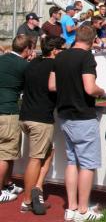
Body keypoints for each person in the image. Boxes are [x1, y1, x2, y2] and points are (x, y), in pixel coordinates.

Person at [49, 25, 106, 221]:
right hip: (83, 115)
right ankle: (82, 210)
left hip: (65, 116)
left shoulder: (60, 56)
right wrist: (102, 91)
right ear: (91, 41)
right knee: (88, 165)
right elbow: (90, 88)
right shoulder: (86, 57)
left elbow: (52, 85)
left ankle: (71, 207)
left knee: (72, 162)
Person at [19, 37, 66, 214]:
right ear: (54, 50)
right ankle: (27, 201)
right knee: (35, 158)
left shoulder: (33, 64)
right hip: (40, 119)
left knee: (48, 153)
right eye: (62, 49)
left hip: (26, 116)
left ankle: (37, 190)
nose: (64, 52)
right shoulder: (55, 68)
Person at [0, 35, 34, 203]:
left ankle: (7, 184)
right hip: (9, 112)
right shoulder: (24, 65)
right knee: (6, 153)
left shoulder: (2, 59)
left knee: (8, 152)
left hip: (4, 109)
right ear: (27, 49)